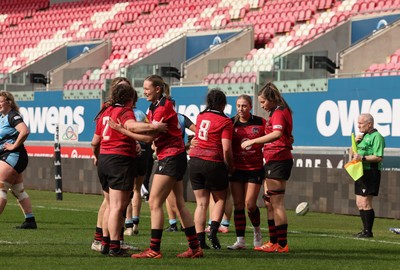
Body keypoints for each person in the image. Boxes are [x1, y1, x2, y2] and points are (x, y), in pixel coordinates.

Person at [131, 74, 202, 259]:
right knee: (179, 203)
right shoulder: (154, 106)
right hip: (172, 156)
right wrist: (141, 127)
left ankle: (154, 249)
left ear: (158, 89)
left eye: (147, 88)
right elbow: (148, 127)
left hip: (170, 157)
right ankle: (195, 248)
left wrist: (124, 129)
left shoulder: (164, 106)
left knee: (154, 202)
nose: (144, 91)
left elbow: (148, 134)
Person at [91, 81, 161, 256]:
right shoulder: (124, 110)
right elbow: (130, 125)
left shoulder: (105, 111)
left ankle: (105, 243)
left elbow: (94, 142)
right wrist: (154, 126)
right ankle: (115, 246)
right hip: (119, 160)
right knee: (118, 206)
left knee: (109, 204)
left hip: (104, 159)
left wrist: (98, 155)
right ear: (130, 98)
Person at [241, 82, 293, 253]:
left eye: (263, 102)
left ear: (271, 99)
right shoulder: (278, 111)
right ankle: (273, 242)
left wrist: (253, 141)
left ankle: (282, 244)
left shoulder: (278, 112)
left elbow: (277, 134)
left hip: (278, 159)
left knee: (276, 203)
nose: (261, 106)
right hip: (272, 159)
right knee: (269, 201)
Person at [189, 88, 234, 249]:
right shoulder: (226, 121)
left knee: (201, 203)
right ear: (223, 104)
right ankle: (213, 230)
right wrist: (230, 165)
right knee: (221, 198)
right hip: (213, 161)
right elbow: (227, 148)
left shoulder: (201, 115)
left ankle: (200, 239)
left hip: (194, 160)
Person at [226, 94, 266, 250]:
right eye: (238, 106)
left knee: (250, 204)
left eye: (244, 106)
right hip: (236, 169)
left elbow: (272, 136)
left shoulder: (260, 122)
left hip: (254, 168)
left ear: (250, 106)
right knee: (238, 204)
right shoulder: (231, 123)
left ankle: (257, 231)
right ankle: (240, 241)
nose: (240, 109)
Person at [0, 90, 37, 229]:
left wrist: (14, 145)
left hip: (13, 156)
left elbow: (25, 131)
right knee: (17, 190)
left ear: (9, 102)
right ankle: (30, 220)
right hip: (9, 157)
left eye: (1, 101)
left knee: (1, 188)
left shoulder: (12, 116)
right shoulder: (2, 116)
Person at [351, 113, 385, 238]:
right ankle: (364, 230)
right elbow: (353, 154)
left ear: (369, 124)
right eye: (358, 123)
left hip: (371, 172)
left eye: (361, 123)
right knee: (359, 202)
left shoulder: (377, 137)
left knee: (366, 202)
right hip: (360, 172)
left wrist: (363, 158)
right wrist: (354, 143)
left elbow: (378, 157)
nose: (358, 126)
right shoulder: (362, 137)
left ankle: (368, 231)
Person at [165, 112, 196, 233]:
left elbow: (198, 130)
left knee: (158, 199)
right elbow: (198, 129)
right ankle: (174, 224)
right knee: (172, 195)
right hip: (180, 156)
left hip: (170, 157)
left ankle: (184, 224)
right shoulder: (182, 117)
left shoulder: (164, 116)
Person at [124, 107, 149, 236]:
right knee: (137, 189)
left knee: (128, 189)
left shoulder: (124, 113)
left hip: (131, 149)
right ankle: (135, 224)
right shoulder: (141, 113)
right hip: (144, 150)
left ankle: (128, 225)